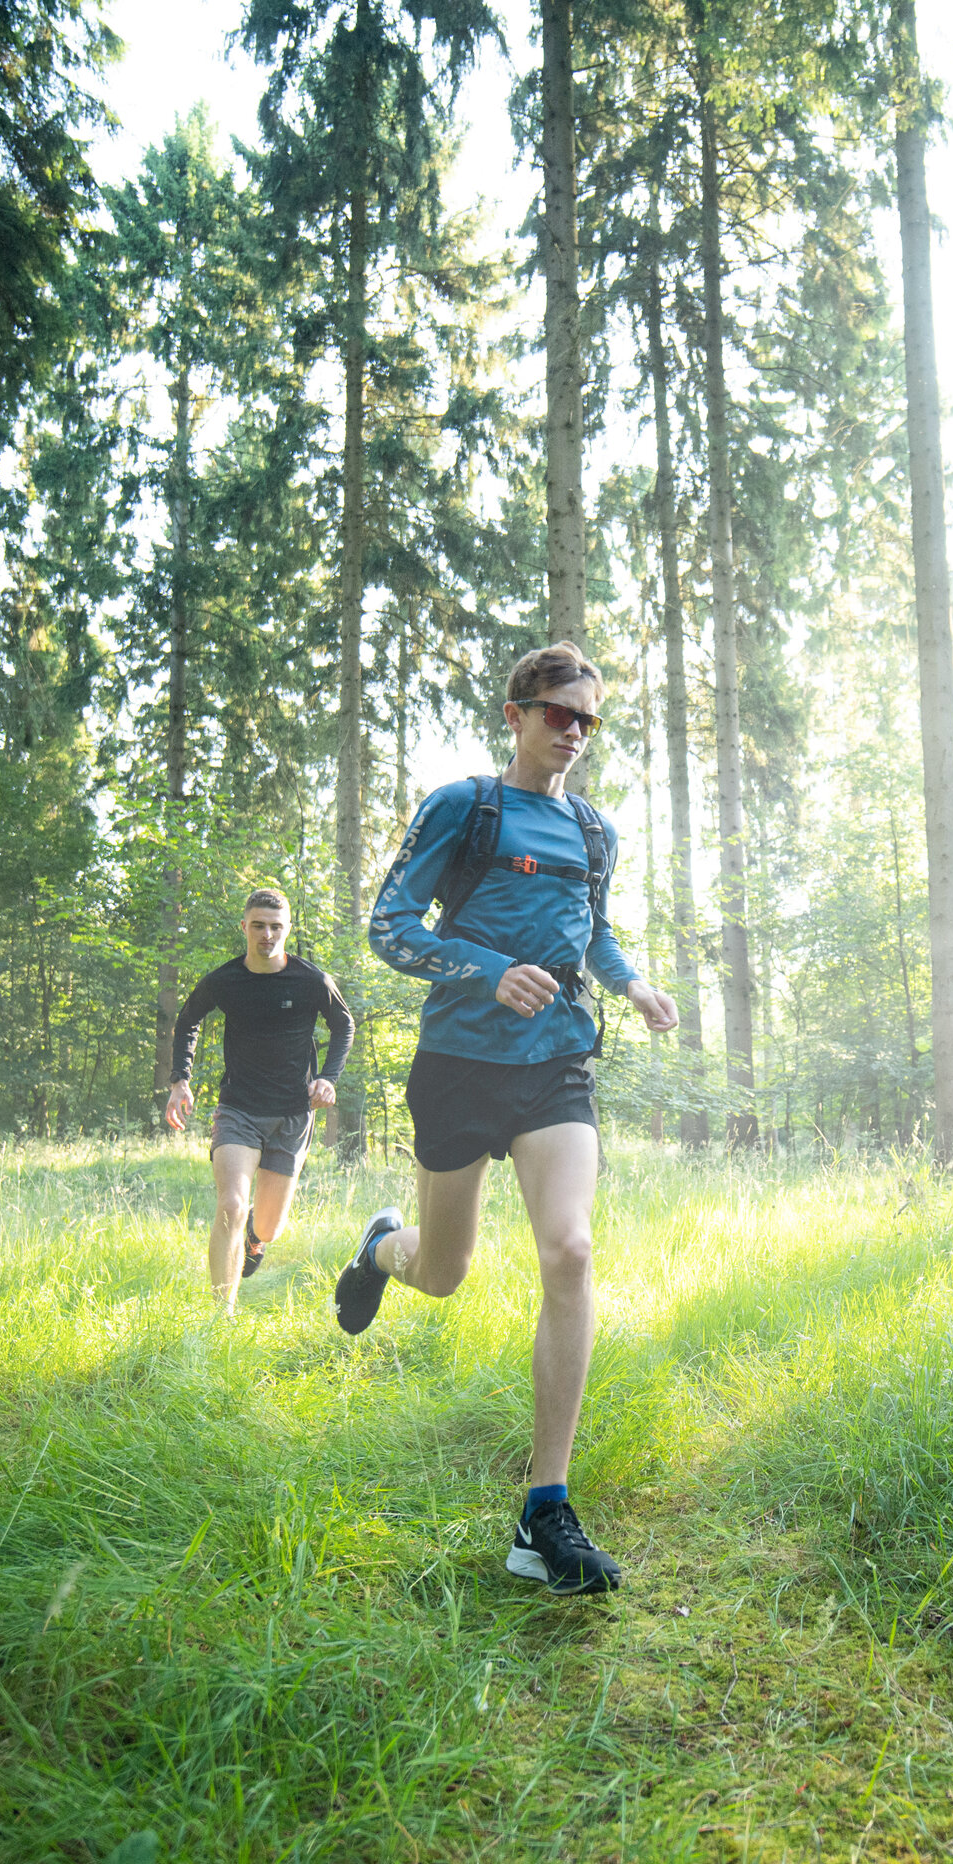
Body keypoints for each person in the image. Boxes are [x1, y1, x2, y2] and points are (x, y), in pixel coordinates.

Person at [333, 643, 679, 1594]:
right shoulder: (465, 808)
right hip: (458, 1065)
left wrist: (634, 982)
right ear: (517, 715)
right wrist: (489, 968)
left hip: (558, 1060)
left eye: (587, 720)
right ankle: (380, 1249)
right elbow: (390, 927)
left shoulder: (596, 832)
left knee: (569, 1249)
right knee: (443, 1273)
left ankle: (543, 1511)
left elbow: (594, 928)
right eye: (558, 714)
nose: (573, 731)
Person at [166, 888, 353, 1315]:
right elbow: (188, 1020)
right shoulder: (225, 980)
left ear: (287, 929)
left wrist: (328, 1078)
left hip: (292, 1113)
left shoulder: (311, 981)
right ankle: (221, 1314)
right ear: (244, 928)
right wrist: (181, 1080)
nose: (267, 935)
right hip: (238, 1108)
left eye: (275, 927)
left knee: (268, 1225)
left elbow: (344, 1025)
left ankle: (255, 1238)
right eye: (258, 926)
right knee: (231, 1204)